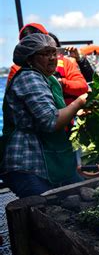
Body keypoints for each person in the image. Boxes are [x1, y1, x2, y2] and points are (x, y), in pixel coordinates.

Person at [0, 34, 88, 198]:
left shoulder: (47, 78)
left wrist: (79, 110)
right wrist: (79, 103)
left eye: (54, 53)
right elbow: (51, 121)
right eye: (45, 53)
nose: (52, 58)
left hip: (44, 157)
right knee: (43, 208)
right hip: (26, 160)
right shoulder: (29, 77)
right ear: (30, 58)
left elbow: (50, 111)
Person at [48, 33, 89, 105]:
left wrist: (62, 83)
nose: (51, 57)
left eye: (53, 50)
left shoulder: (66, 62)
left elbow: (83, 86)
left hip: (68, 110)